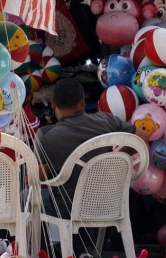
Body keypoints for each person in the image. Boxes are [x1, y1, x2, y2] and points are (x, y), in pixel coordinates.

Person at [35, 77, 146, 219]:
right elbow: (142, 137)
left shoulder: (46, 134)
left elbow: (36, 178)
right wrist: (118, 156)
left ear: (53, 104)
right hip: (110, 204)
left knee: (25, 197)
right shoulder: (107, 121)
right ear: (82, 101)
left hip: (67, 208)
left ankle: (38, 242)